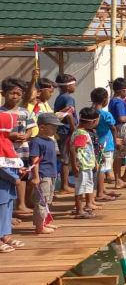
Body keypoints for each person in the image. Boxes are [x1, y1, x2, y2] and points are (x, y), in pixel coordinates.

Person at [0, 77, 35, 216]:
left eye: (18, 94)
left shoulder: (25, 112)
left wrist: (26, 136)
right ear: (3, 94)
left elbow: (30, 128)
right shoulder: (1, 112)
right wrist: (10, 136)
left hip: (22, 150)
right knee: (8, 177)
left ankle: (21, 204)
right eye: (11, 93)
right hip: (5, 152)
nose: (15, 96)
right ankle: (9, 206)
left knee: (23, 176)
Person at [28, 113, 62, 234]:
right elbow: (35, 160)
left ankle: (45, 222)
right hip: (43, 174)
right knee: (41, 200)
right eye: (53, 127)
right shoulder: (37, 142)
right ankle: (39, 226)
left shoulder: (51, 141)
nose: (55, 130)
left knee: (47, 199)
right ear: (42, 127)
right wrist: (36, 176)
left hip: (52, 173)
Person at [0, 109, 26, 252]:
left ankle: (5, 235)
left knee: (7, 210)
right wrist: (14, 177)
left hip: (7, 186)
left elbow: (9, 161)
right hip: (2, 184)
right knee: (0, 211)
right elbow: (1, 167)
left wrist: (20, 169)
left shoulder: (5, 142)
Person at [90, 88, 119, 202]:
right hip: (106, 144)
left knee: (98, 167)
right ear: (104, 100)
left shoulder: (90, 112)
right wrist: (116, 140)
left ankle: (102, 188)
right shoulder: (106, 115)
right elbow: (113, 128)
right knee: (102, 169)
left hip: (93, 144)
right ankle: (100, 193)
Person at [71, 108, 100, 218]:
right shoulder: (81, 133)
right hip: (82, 165)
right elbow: (73, 149)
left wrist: (95, 162)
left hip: (87, 164)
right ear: (92, 122)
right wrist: (74, 165)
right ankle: (79, 210)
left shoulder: (81, 131)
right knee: (81, 187)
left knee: (87, 185)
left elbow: (89, 149)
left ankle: (81, 208)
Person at [53, 73, 77, 194]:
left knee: (66, 157)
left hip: (62, 130)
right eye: (74, 84)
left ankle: (66, 183)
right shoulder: (68, 98)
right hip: (66, 131)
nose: (75, 87)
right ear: (68, 86)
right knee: (65, 158)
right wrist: (73, 128)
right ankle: (64, 186)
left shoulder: (60, 97)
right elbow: (69, 113)